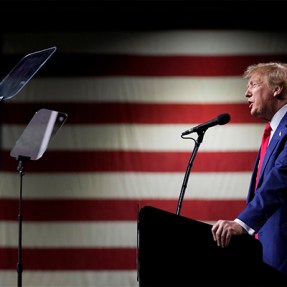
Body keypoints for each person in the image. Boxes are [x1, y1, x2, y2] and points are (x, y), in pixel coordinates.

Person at [211, 62, 287, 278]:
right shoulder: (274, 131)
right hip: (265, 251)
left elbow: (280, 179)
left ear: (277, 88)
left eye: (253, 84)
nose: (247, 93)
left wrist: (242, 223)